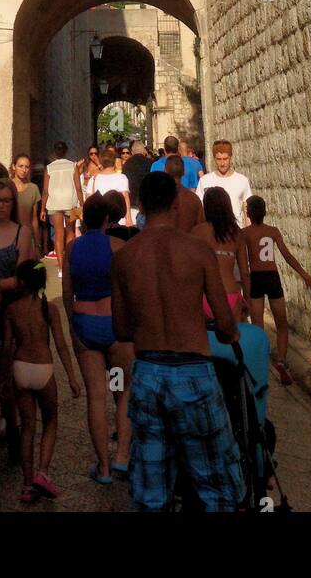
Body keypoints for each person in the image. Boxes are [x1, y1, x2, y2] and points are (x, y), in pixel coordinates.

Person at [111, 172, 245, 513]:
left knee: (152, 491)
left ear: (140, 205)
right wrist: (223, 330)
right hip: (193, 371)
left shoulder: (125, 257)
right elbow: (225, 321)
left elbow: (122, 328)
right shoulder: (198, 251)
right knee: (217, 485)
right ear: (175, 204)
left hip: (148, 372)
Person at [62, 193, 134, 484]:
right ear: (107, 219)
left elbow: (67, 293)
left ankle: (103, 467)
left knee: (96, 396)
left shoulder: (71, 249)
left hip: (86, 328)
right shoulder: (118, 246)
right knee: (122, 391)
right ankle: (122, 457)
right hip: (114, 330)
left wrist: (72, 329)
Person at [5, 259, 81, 503]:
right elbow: (60, 345)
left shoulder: (12, 310)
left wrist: (3, 378)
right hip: (43, 368)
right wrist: (71, 377)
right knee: (50, 421)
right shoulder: (49, 309)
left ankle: (27, 484)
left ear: (22, 282)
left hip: (20, 367)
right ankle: (43, 473)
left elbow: (7, 348)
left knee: (28, 427)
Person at [240, 195, 311, 383]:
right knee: (281, 324)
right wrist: (304, 274)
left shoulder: (245, 233)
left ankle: (260, 360)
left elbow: (241, 261)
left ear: (249, 213)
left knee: (258, 326)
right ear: (265, 212)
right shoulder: (273, 231)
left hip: (256, 277)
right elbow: (287, 256)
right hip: (272, 276)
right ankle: (281, 359)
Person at [0, 180, 34, 457]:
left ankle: (15, 426)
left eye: (6, 200)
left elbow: (20, 277)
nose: (1, 205)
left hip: (10, 312)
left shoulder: (21, 232)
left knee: (10, 375)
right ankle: (7, 417)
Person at [193, 186, 251, 322]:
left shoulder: (197, 232)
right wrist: (247, 300)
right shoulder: (237, 233)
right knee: (233, 340)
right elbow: (245, 273)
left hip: (205, 296)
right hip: (230, 294)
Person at [196, 140, 252, 226]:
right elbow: (199, 210)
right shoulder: (205, 181)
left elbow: (247, 211)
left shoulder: (242, 180)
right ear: (214, 158)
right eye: (219, 159)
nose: (222, 163)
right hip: (212, 234)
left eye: (225, 159)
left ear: (231, 157)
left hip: (236, 233)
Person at [42, 142, 77, 271]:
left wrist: (42, 208)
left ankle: (61, 268)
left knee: (58, 233)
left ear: (55, 151)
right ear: (66, 151)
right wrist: (82, 204)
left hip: (55, 201)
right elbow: (78, 187)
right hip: (71, 201)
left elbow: (45, 191)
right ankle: (70, 263)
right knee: (70, 231)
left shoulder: (49, 168)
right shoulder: (72, 165)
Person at [86, 143, 131, 225]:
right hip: (119, 222)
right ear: (114, 161)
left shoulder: (93, 179)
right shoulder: (121, 177)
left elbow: (89, 201)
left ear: (101, 162)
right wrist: (129, 220)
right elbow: (125, 197)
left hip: (100, 223)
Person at [164, 154, 203, 233]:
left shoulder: (158, 198)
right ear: (184, 171)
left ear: (165, 171)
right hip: (187, 243)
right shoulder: (193, 199)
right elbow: (200, 227)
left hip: (164, 243)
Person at [11, 154, 41, 250]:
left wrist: (37, 244)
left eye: (27, 167)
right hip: (10, 236)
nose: (24, 170)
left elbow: (34, 218)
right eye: (21, 166)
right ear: (13, 167)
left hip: (27, 237)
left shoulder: (33, 188)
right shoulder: (7, 186)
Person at [120, 139, 150, 223]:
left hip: (132, 204)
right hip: (146, 205)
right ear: (143, 150)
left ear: (132, 152)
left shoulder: (127, 165)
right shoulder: (150, 163)